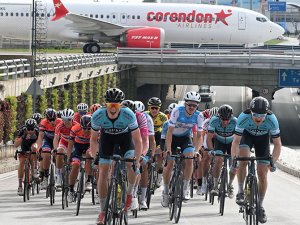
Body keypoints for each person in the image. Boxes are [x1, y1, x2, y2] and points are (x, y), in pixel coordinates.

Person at [90, 88, 142, 225]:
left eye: (116, 104)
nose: (113, 107)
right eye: (110, 104)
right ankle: (102, 211)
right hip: (107, 140)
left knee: (131, 166)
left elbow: (137, 140)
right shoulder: (98, 115)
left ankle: (129, 194)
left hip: (125, 140)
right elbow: (94, 139)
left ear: (121, 104)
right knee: (103, 172)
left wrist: (136, 159)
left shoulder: (128, 114)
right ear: (105, 104)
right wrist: (95, 155)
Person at [231, 96, 281, 224]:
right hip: (246, 137)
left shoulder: (272, 119)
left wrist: (272, 162)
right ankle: (241, 191)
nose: (258, 118)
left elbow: (277, 144)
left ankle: (260, 206)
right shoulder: (243, 117)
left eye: (262, 116)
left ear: (267, 114)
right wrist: (234, 159)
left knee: (263, 173)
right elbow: (236, 141)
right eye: (255, 115)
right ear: (250, 112)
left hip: (262, 140)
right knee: (243, 159)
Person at [161, 91, 204, 206]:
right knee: (169, 163)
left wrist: (196, 150)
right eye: (189, 104)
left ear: (197, 106)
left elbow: (199, 136)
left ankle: (185, 189)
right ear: (185, 104)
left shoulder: (199, 116)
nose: (191, 107)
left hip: (185, 138)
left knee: (190, 159)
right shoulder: (177, 111)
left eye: (194, 105)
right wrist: (168, 149)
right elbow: (169, 132)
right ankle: (165, 191)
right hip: (172, 138)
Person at [206, 104, 237, 199]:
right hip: (219, 142)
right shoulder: (214, 121)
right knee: (218, 160)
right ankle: (215, 186)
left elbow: (240, 138)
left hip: (231, 143)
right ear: (219, 117)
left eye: (227, 119)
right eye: (223, 119)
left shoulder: (235, 121)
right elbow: (209, 138)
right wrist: (211, 150)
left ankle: (230, 185)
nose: (225, 122)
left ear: (231, 117)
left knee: (234, 164)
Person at [67, 115, 93, 202]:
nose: (86, 131)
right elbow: (70, 145)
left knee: (89, 155)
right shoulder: (75, 129)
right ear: (80, 126)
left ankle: (88, 180)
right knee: (75, 165)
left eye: (88, 129)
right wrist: (68, 157)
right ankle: (70, 190)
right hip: (77, 147)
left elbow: (97, 144)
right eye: (84, 128)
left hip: (89, 146)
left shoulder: (95, 130)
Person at [145, 97, 168, 188]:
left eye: (156, 108)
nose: (154, 110)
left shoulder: (163, 117)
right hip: (147, 136)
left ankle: (159, 176)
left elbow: (166, 131)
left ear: (159, 109)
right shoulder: (145, 115)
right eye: (152, 108)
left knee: (159, 156)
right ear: (149, 108)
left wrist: (163, 147)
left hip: (158, 136)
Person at [37, 108, 62, 189]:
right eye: (49, 120)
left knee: (60, 154)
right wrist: (39, 148)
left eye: (53, 119)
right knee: (46, 154)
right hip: (47, 140)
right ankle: (46, 176)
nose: (52, 122)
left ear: (56, 117)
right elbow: (40, 136)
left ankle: (60, 175)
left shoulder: (60, 122)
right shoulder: (43, 122)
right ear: (46, 119)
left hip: (58, 140)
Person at [53, 108, 76, 189]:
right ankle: (58, 175)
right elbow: (56, 138)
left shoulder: (76, 125)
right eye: (64, 119)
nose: (66, 122)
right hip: (63, 142)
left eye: (69, 119)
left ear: (72, 119)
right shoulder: (59, 126)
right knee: (59, 152)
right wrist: (55, 149)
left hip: (73, 144)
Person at [198, 106, 219, 195]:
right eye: (212, 117)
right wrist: (202, 146)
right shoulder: (206, 122)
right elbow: (202, 135)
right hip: (207, 139)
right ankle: (204, 181)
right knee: (205, 158)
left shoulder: (221, 122)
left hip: (217, 140)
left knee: (219, 158)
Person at [14, 119, 39, 195]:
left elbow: (40, 141)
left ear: (35, 127)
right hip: (23, 147)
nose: (30, 131)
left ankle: (34, 169)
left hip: (33, 145)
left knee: (34, 148)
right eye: (29, 129)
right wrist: (23, 137)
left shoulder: (37, 131)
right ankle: (20, 186)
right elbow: (16, 144)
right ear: (26, 127)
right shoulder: (23, 130)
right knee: (21, 163)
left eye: (32, 129)